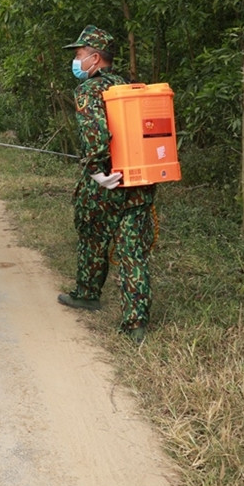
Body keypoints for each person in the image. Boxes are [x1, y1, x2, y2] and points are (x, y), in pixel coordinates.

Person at [56, 25, 156, 344]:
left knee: (92, 234)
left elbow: (95, 133)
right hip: (139, 180)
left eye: (79, 55)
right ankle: (135, 324)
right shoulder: (130, 87)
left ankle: (87, 293)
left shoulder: (89, 91)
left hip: (106, 183)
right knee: (131, 251)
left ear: (95, 58)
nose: (76, 60)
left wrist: (97, 170)